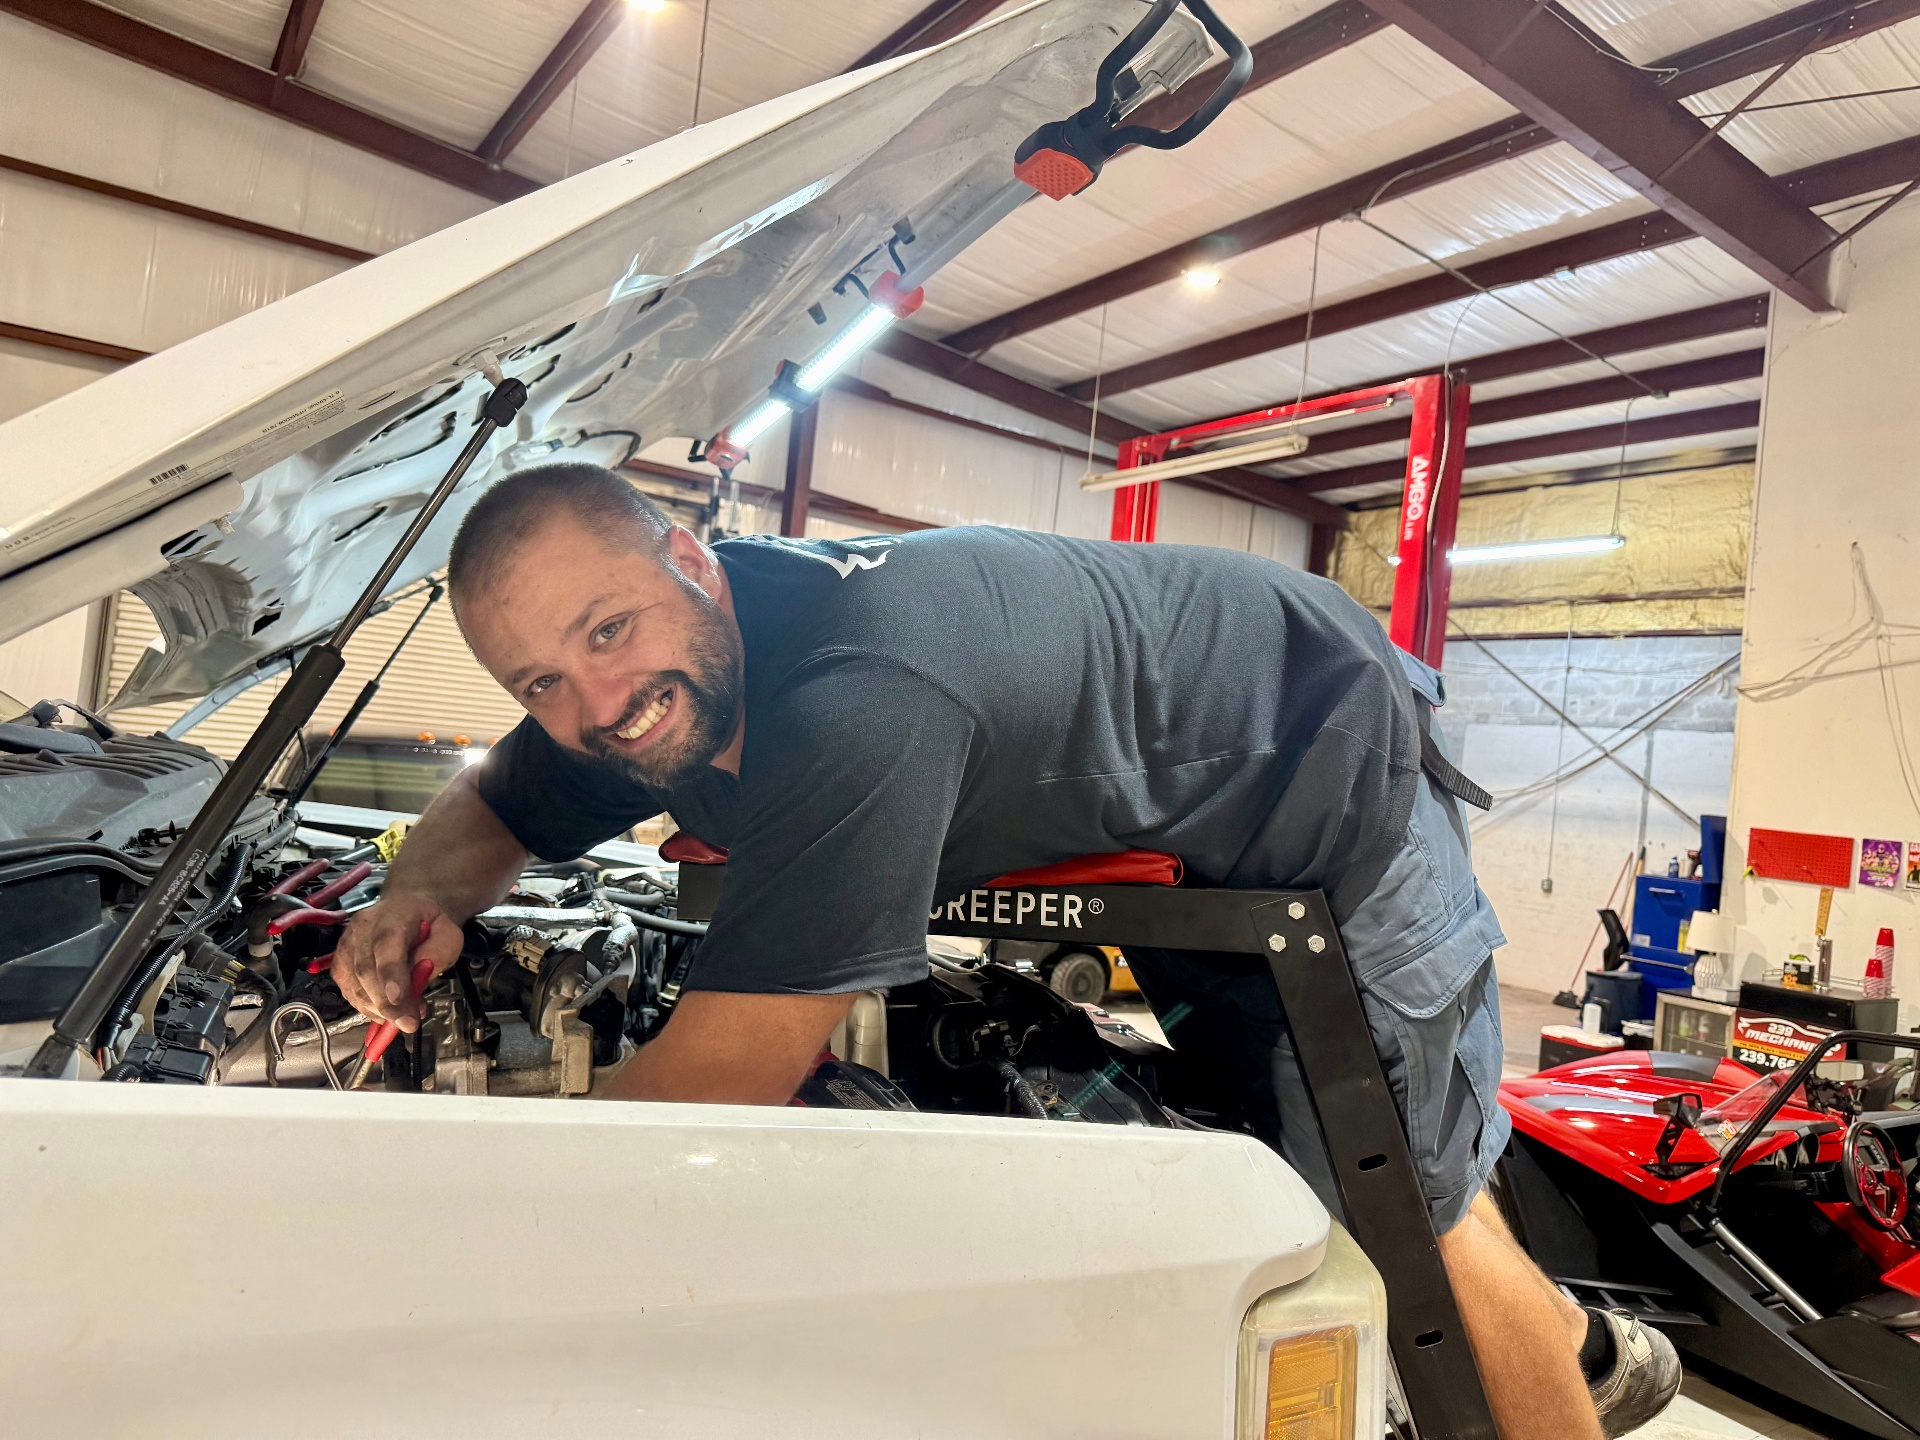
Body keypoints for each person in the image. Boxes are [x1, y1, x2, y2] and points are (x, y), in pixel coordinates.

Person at [333, 462, 1676, 1439]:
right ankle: (1587, 1355)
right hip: (1184, 823)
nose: (598, 703)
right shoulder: (658, 691)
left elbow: (726, 1076)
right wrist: (418, 893)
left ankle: (1556, 1388)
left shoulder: (860, 696)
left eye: (607, 632)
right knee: (1333, 1154)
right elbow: (500, 796)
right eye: (542, 681)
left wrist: (454, 1212)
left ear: (692, 561)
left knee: (1400, 1211)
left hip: (1320, 770)